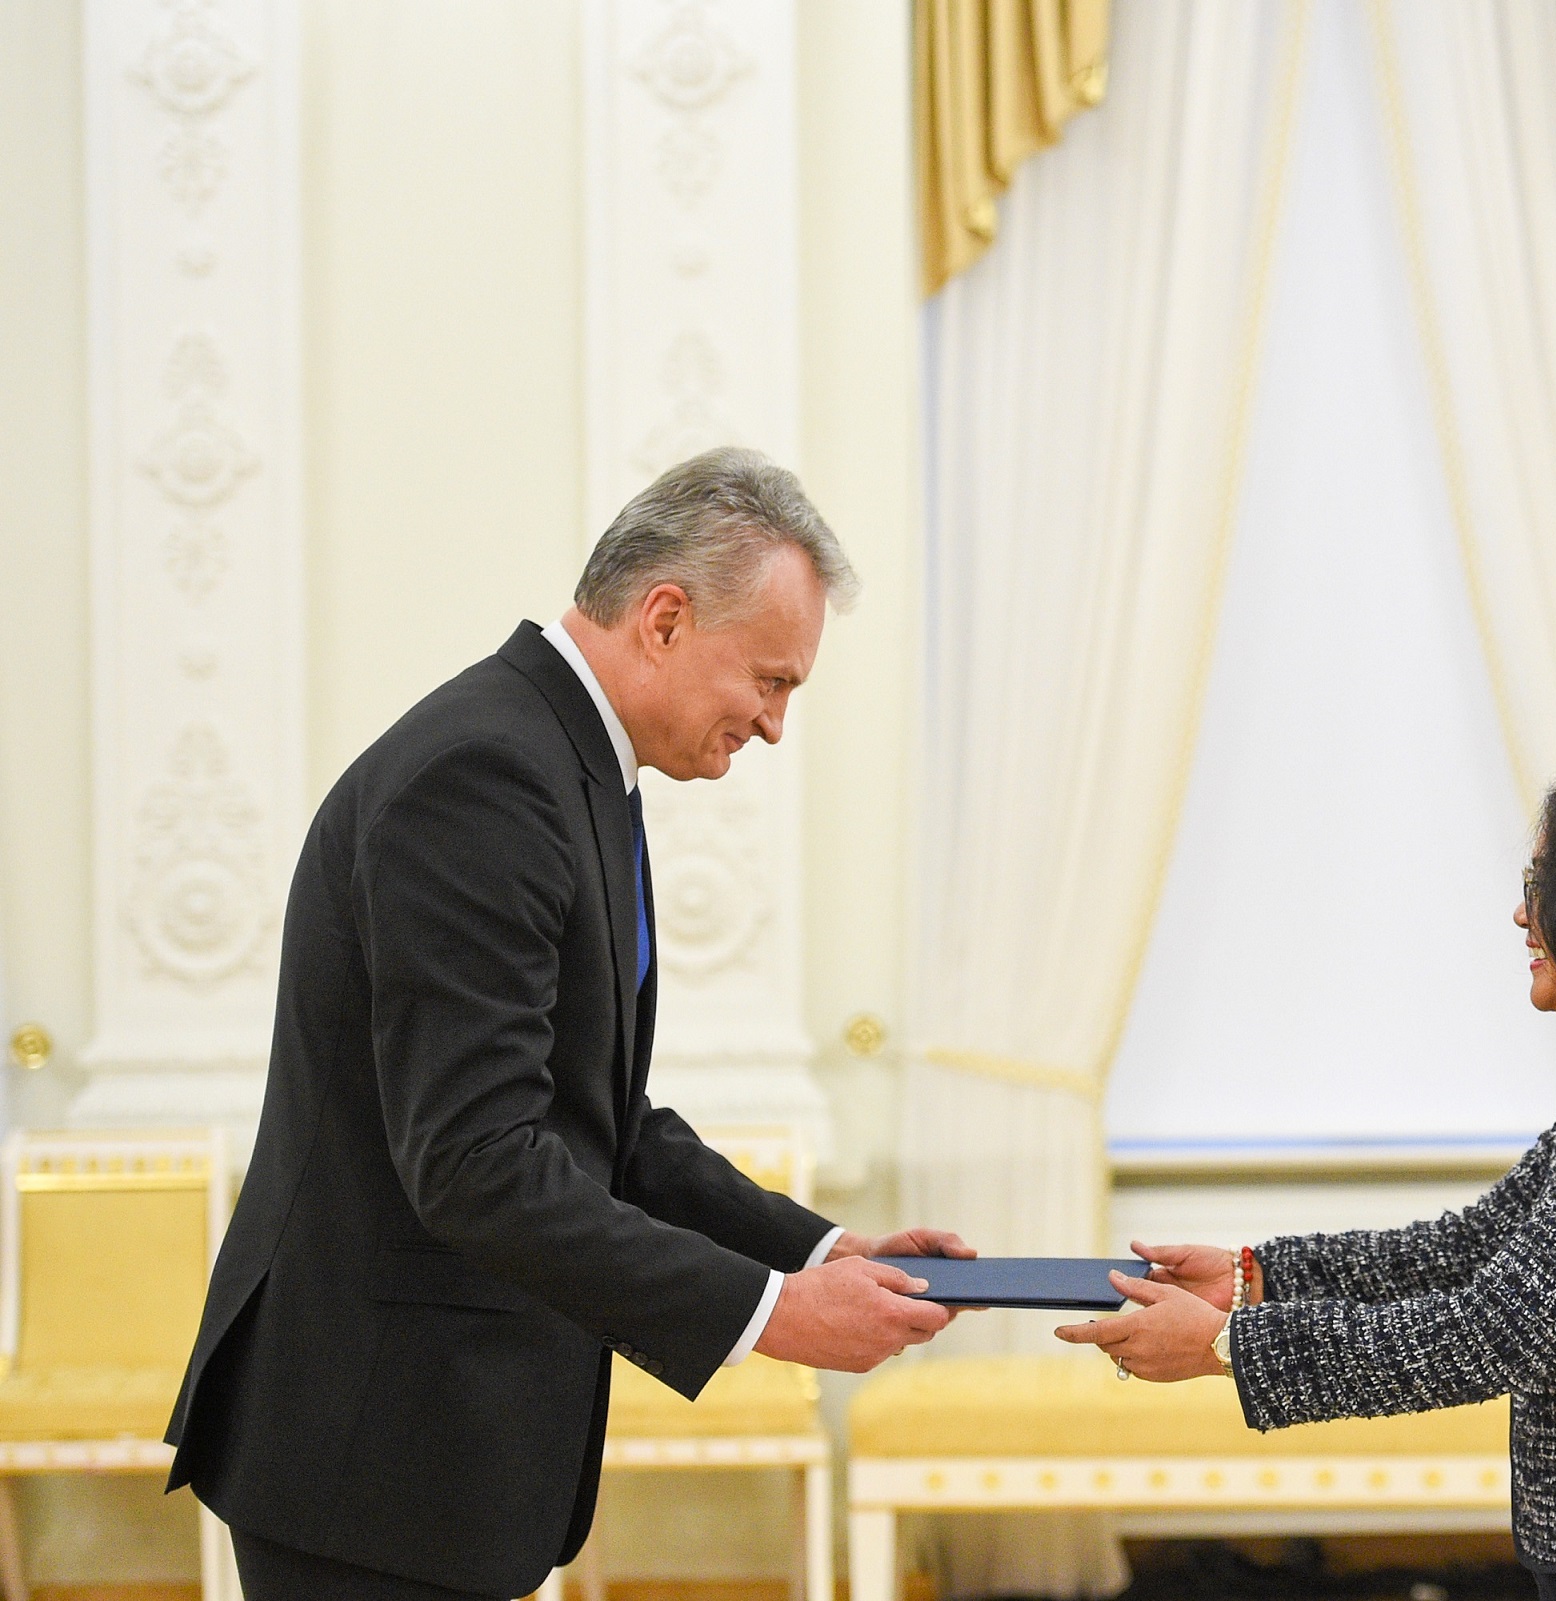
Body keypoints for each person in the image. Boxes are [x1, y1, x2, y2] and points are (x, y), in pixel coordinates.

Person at [167, 448, 971, 1600]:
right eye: (772, 680)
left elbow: (604, 1123)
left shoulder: (563, 760)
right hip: (370, 1458)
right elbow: (478, 1161)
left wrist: (819, 1251)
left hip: (418, 1457)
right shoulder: (488, 772)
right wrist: (777, 1314)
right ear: (664, 617)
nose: (777, 724)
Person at [1059, 758, 1556, 1600]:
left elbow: (1494, 1331)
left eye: (1542, 883)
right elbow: (1478, 1244)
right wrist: (1259, 1277)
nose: (1521, 912)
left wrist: (1227, 1348)